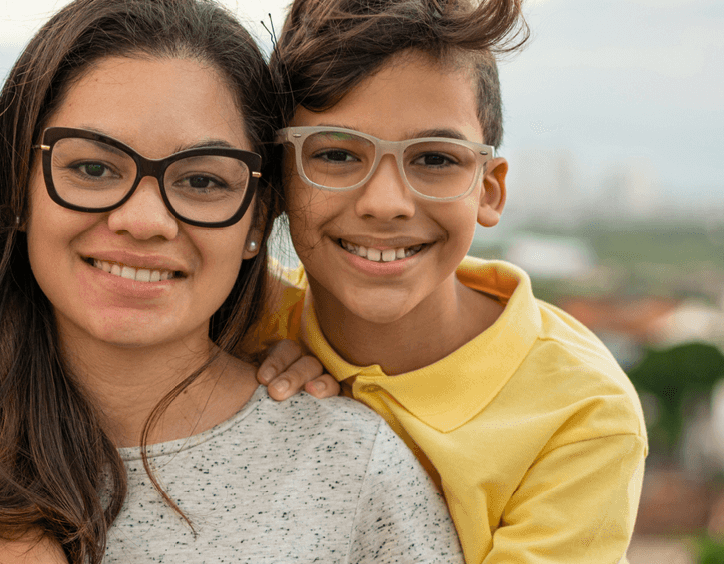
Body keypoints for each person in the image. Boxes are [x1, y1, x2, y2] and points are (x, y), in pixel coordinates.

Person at [0, 0, 461, 562]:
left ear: (257, 220)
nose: (143, 221)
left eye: (202, 181)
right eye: (92, 167)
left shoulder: (352, 468)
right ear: (19, 190)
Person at [256, 0, 651, 562]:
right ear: (276, 179)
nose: (386, 204)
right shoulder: (235, 323)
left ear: (489, 189)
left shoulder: (581, 414)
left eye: (435, 159)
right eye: (338, 154)